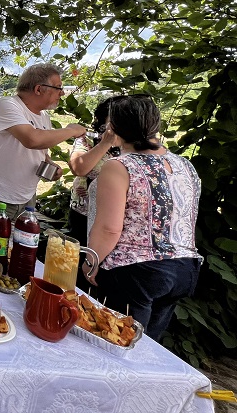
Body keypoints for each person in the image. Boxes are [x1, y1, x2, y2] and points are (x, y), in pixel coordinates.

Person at [86, 95, 202, 340]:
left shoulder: (119, 166)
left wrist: (92, 262)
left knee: (116, 341)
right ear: (155, 126)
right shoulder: (184, 165)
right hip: (184, 269)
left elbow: (109, 228)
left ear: (113, 128)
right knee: (147, 346)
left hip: (136, 271)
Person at [0, 63, 86, 232]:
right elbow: (32, 139)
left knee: (15, 251)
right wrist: (71, 130)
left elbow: (40, 150)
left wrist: (49, 164)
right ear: (39, 89)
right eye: (58, 87)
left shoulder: (44, 117)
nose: (62, 93)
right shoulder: (7, 105)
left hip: (26, 199)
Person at [67, 97, 120, 244]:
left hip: (112, 214)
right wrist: (106, 143)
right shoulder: (88, 140)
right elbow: (79, 168)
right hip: (83, 212)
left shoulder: (129, 143)